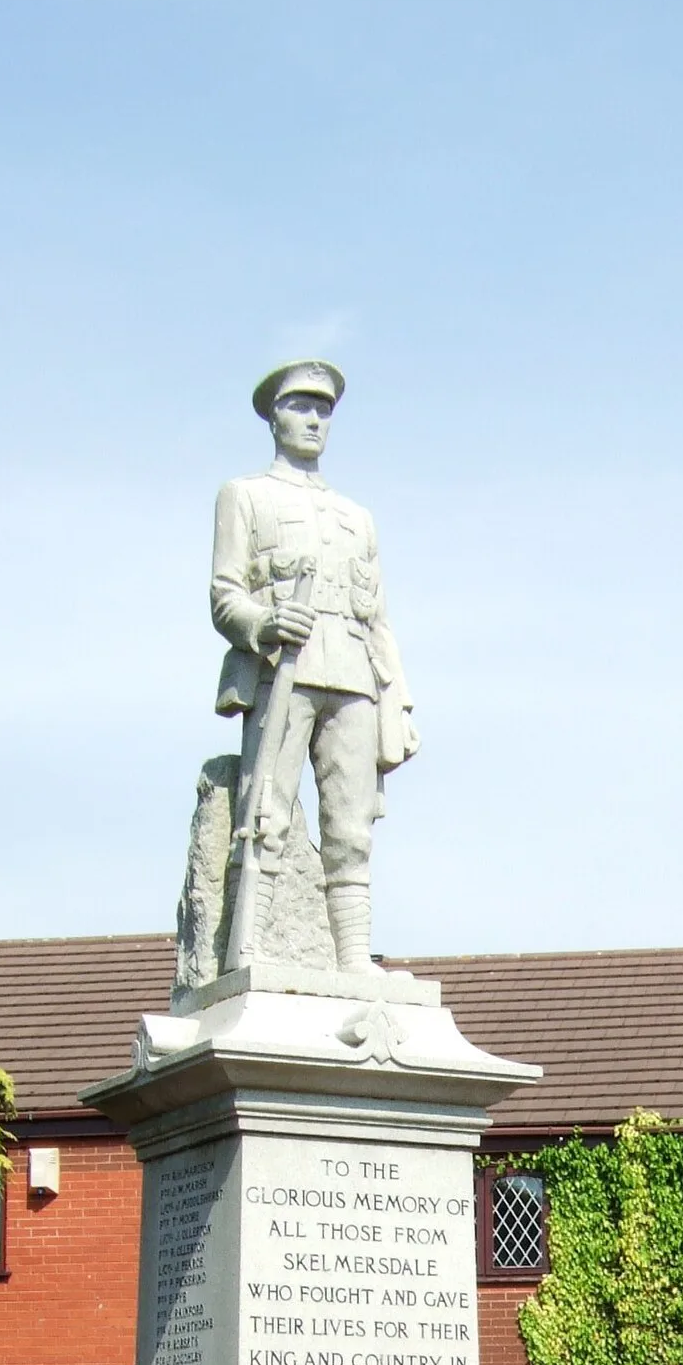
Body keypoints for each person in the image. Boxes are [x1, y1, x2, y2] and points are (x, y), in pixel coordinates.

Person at [210, 362, 416, 973]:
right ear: (274, 416)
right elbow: (225, 596)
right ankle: (248, 943)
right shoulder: (245, 496)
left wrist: (397, 701)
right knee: (264, 810)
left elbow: (378, 618)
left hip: (352, 676)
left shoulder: (357, 517)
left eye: (323, 410)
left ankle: (353, 956)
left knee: (351, 828)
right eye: (301, 407)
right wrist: (262, 624)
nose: (314, 420)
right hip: (282, 672)